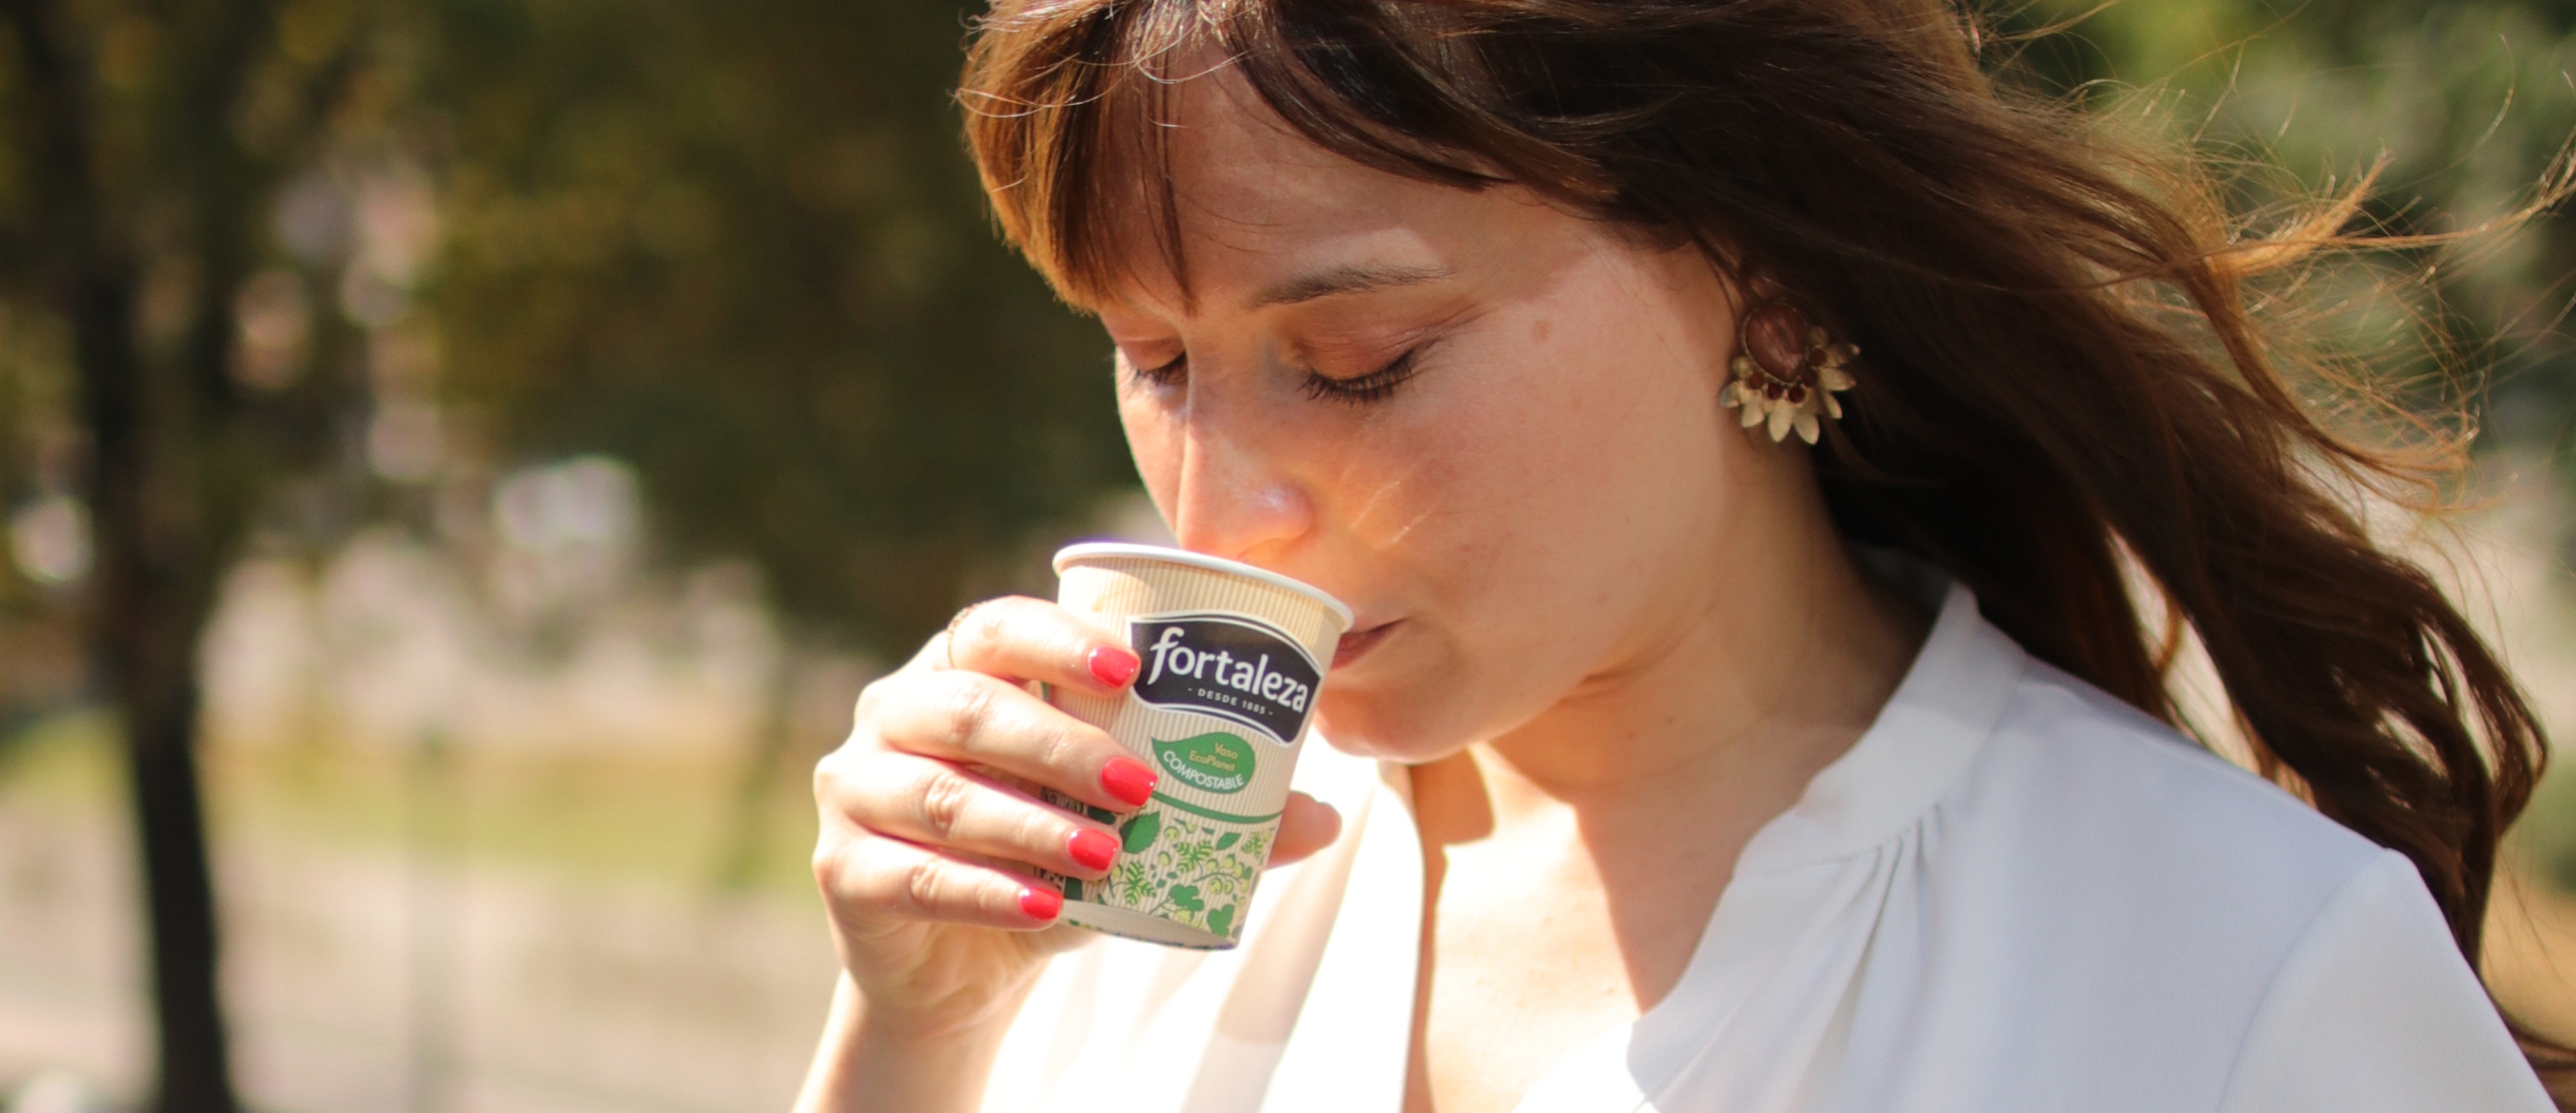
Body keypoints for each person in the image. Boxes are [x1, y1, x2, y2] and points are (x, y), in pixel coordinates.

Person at [792, 1, 2569, 1110]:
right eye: (1156, 360)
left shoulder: (2224, 958)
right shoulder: (1133, 879)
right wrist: (916, 1045)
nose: (1222, 509)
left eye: (1361, 362)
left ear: (1769, 275)